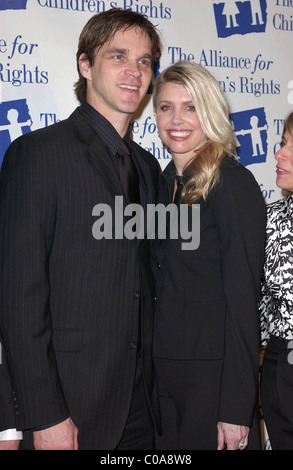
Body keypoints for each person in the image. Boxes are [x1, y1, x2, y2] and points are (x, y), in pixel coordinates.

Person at [0, 9, 162, 450]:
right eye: (118, 56)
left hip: (143, 410)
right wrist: (45, 414)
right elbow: (18, 299)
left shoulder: (148, 169)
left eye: (145, 61)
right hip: (70, 409)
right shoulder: (37, 155)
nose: (134, 71)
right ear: (85, 65)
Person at [151, 60, 266, 450]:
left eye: (191, 106)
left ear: (211, 111)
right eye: (166, 107)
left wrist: (235, 407)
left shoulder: (232, 184)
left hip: (213, 383)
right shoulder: (160, 183)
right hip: (160, 377)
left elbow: (242, 302)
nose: (176, 119)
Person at [259, 112, 293, 450]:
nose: (279, 154)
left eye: (292, 147)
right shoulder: (271, 220)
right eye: (283, 143)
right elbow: (256, 311)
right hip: (282, 372)